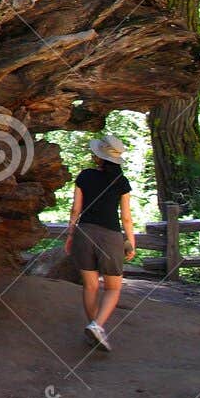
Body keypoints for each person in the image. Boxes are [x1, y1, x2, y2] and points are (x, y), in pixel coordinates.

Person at [64, 133, 135, 351]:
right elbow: (126, 217)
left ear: (98, 157)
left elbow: (76, 209)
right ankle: (97, 326)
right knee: (113, 288)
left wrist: (70, 235)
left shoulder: (84, 176)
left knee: (91, 285)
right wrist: (130, 241)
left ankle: (94, 328)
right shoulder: (121, 182)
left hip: (85, 233)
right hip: (111, 236)